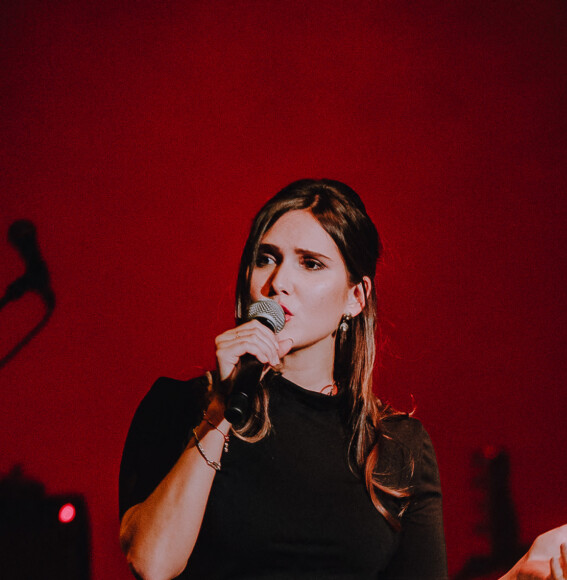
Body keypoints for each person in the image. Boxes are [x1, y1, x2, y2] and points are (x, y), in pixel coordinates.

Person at [119, 178, 447, 579]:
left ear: (355, 297)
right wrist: (219, 414)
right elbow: (151, 563)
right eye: (265, 258)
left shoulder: (397, 447)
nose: (277, 283)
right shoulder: (180, 406)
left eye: (310, 263)